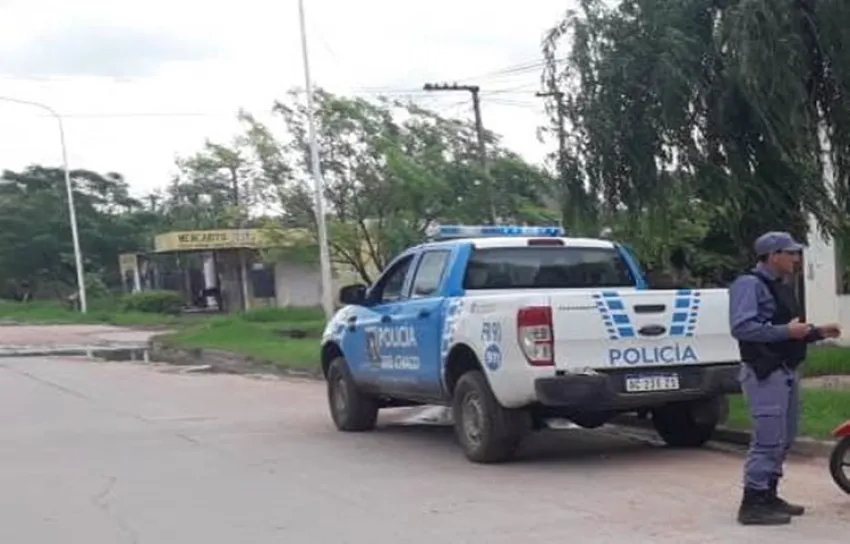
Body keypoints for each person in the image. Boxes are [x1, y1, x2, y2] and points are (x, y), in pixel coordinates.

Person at [729, 231, 841, 525]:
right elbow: (742, 327)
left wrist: (816, 332)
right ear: (772, 255)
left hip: (786, 370)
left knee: (783, 438)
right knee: (767, 440)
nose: (796, 258)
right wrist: (787, 331)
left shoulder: (782, 285)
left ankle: (769, 494)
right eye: (790, 253)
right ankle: (752, 503)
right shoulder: (749, 284)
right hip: (765, 373)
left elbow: (786, 330)